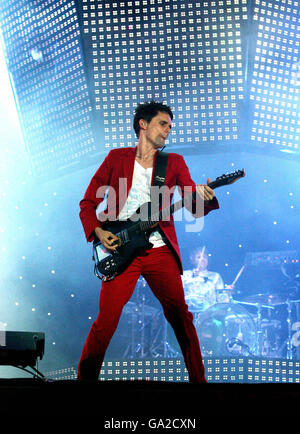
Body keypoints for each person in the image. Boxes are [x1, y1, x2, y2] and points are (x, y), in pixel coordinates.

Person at [77, 101, 219, 383]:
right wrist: (98, 232)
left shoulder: (174, 162)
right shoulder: (116, 158)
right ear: (143, 124)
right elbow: (87, 203)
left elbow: (192, 203)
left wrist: (206, 196)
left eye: (170, 126)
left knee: (180, 315)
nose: (168, 130)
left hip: (158, 250)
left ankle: (200, 383)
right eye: (163, 123)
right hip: (119, 247)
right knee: (106, 321)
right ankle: (84, 383)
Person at [182, 246, 230, 313]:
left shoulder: (215, 276)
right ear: (193, 260)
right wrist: (193, 278)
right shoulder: (185, 275)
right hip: (187, 313)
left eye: (205, 257)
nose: (202, 259)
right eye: (199, 257)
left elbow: (221, 299)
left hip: (209, 314)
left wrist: (227, 292)